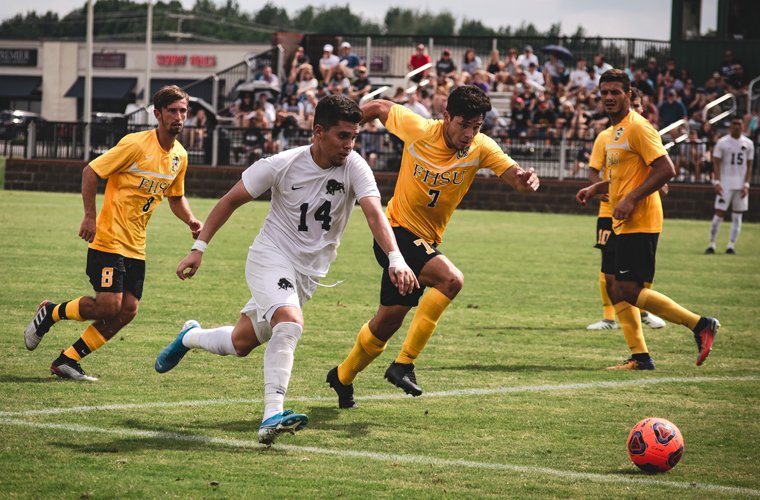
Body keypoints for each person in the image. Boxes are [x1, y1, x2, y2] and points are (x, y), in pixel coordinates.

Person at [153, 95, 418, 445]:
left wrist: (396, 257)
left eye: (354, 137)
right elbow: (230, 200)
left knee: (240, 343)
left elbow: (374, 214)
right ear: (318, 131)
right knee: (290, 323)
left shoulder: (355, 166)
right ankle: (272, 416)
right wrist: (198, 249)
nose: (350, 145)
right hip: (270, 257)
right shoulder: (282, 164)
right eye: (342, 136)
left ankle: (190, 336)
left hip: (307, 275)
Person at [325, 85, 540, 409]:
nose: (469, 134)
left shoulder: (481, 147)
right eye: (463, 125)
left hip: (424, 242)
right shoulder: (420, 130)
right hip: (395, 234)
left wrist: (525, 181)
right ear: (446, 117)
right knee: (450, 280)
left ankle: (342, 377)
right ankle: (404, 364)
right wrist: (347, 130)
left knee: (385, 324)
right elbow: (380, 106)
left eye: (476, 127)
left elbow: (513, 176)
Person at [24, 85, 203, 381]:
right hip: (108, 239)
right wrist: (89, 216)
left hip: (136, 245)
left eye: (183, 111)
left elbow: (176, 197)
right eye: (172, 111)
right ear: (157, 114)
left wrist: (191, 220)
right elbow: (91, 171)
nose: (179, 117)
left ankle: (68, 359)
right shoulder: (136, 144)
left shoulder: (180, 156)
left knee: (128, 309)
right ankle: (51, 312)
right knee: (109, 305)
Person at [576, 70, 720, 370]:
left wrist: (630, 199)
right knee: (615, 285)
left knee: (629, 289)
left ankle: (700, 324)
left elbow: (666, 170)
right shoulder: (615, 132)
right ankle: (640, 357)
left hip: (640, 219)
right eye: (604, 92)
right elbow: (624, 178)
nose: (609, 97)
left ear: (629, 94)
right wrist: (596, 188)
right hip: (621, 222)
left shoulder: (639, 127)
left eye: (615, 92)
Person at [585, 87, 666, 331]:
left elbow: (659, 170)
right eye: (634, 106)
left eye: (639, 106)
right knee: (609, 269)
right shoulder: (606, 136)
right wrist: (599, 189)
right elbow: (594, 170)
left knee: (634, 274)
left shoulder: (643, 132)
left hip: (638, 212)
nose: (636, 110)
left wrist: (659, 186)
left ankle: (642, 313)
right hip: (609, 212)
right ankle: (609, 317)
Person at [706, 117, 754, 254]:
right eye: (734, 124)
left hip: (741, 185)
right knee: (718, 214)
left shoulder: (749, 143)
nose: (737, 126)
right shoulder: (722, 142)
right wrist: (717, 182)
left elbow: (749, 166)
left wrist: (747, 184)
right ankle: (712, 244)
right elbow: (716, 163)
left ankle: (731, 246)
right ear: (730, 126)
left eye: (739, 124)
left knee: (737, 216)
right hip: (725, 184)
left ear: (743, 126)